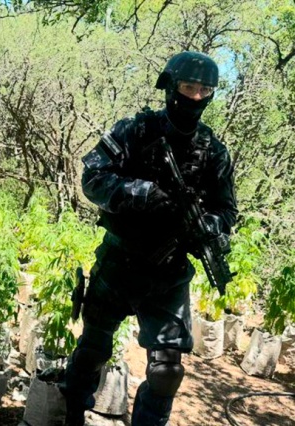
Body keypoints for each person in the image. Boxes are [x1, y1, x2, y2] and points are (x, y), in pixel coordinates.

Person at [62, 51, 238, 425]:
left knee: (166, 372)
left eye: (204, 90)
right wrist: (140, 193)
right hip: (119, 261)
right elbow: (92, 179)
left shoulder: (214, 152)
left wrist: (211, 228)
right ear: (170, 86)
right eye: (188, 87)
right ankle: (72, 412)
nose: (195, 97)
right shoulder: (134, 130)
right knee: (94, 348)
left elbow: (227, 211)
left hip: (169, 275)